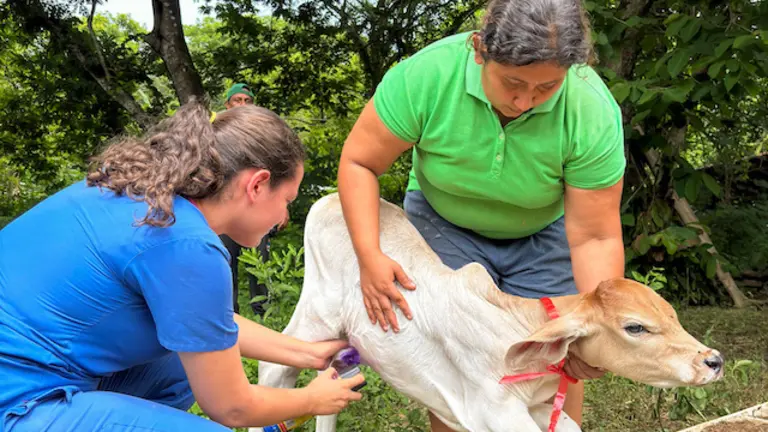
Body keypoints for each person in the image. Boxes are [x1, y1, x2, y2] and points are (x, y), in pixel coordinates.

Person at [337, 0, 625, 429]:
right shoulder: (429, 75)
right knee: (460, 353)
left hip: (544, 232)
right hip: (444, 222)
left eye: (547, 87)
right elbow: (360, 163)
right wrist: (369, 254)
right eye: (512, 82)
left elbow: (595, 236)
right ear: (479, 49)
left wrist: (598, 327)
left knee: (556, 348)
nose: (525, 101)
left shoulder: (590, 110)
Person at [0, 100, 364, 431]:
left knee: (178, 369)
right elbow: (233, 408)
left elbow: (204, 322)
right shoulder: (185, 244)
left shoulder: (139, 193)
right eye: (287, 200)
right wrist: (313, 400)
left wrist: (306, 352)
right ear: (257, 185)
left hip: (32, 366)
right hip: (18, 401)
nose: (284, 218)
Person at [218, 82, 285, 316]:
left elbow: (276, 173)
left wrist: (282, 206)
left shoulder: (263, 137)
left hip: (257, 208)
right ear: (227, 105)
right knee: (224, 263)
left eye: (247, 101)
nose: (243, 104)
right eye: (237, 100)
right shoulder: (217, 134)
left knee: (259, 262)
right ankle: (228, 315)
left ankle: (264, 314)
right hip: (225, 209)